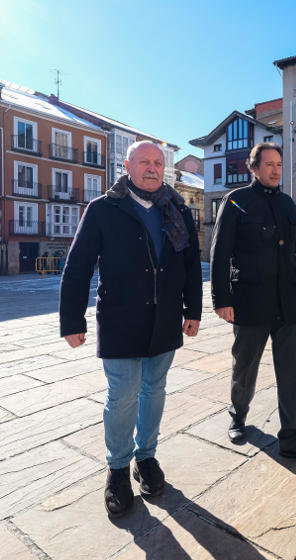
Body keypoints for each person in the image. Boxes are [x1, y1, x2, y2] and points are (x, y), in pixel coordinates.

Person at [59, 140, 202, 517]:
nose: (153, 168)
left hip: (166, 319)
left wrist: (194, 310)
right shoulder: (104, 209)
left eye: (158, 162)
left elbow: (190, 264)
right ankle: (118, 469)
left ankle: (146, 458)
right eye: (144, 162)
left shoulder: (177, 210)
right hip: (121, 320)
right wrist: (72, 321)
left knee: (154, 390)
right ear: (127, 166)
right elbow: (77, 267)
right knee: (123, 395)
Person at [209, 142, 296, 467]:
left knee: (293, 373)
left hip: (289, 304)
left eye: (279, 164)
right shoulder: (236, 201)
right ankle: (238, 416)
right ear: (254, 168)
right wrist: (222, 299)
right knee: (244, 366)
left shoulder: (289, 204)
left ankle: (293, 438)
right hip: (250, 303)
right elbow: (219, 253)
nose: (275, 170)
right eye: (269, 164)